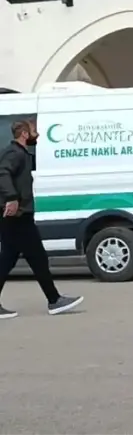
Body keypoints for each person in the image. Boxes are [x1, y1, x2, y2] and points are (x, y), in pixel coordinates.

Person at [0, 119, 83, 319]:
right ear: (24, 134)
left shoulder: (22, 153)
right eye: (34, 131)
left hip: (19, 215)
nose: (38, 134)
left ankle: (54, 300)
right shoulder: (14, 154)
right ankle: (54, 300)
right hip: (17, 216)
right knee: (37, 258)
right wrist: (12, 199)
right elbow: (2, 173)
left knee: (9, 259)